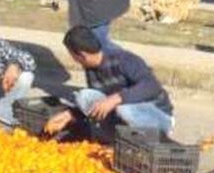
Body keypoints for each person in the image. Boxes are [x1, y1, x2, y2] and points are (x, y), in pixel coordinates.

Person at [44, 26, 174, 141]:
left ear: (82, 55)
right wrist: (71, 114)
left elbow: (152, 86)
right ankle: (119, 137)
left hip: (155, 113)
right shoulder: (91, 68)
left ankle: (158, 133)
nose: (73, 59)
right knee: (84, 96)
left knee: (124, 109)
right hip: (121, 111)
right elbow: (97, 103)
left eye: (72, 55)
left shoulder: (124, 59)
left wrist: (116, 98)